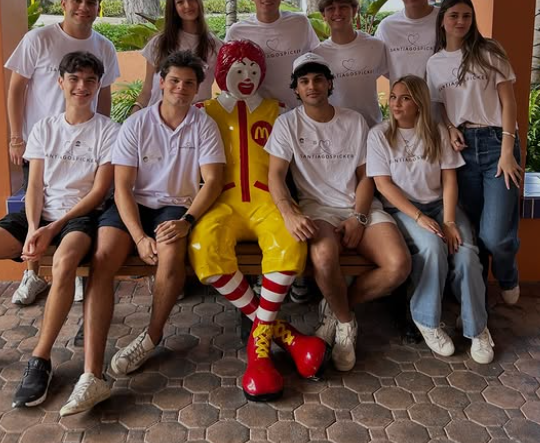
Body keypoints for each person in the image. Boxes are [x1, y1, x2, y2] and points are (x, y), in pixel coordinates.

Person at [60, 50, 226, 417]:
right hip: (133, 205)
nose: (180, 88)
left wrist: (187, 220)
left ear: (197, 88)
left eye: (188, 83)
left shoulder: (203, 125)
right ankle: (92, 374)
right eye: (173, 81)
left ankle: (151, 336)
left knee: (170, 253)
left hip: (176, 206)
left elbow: (213, 181)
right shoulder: (137, 124)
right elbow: (122, 187)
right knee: (103, 259)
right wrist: (137, 236)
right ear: (160, 83)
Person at [0, 52, 119, 406]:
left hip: (78, 217)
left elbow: (99, 191)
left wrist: (53, 226)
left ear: (98, 84)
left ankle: (40, 358)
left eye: (90, 80)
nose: (82, 86)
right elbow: (34, 186)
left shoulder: (108, 130)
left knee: (63, 262)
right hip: (38, 215)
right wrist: (31, 228)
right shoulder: (43, 128)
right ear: (60, 82)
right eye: (74, 79)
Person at [188, 41, 326, 401]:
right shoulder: (203, 111)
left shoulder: (278, 110)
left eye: (253, 70)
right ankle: (285, 336)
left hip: (269, 201)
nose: (246, 77)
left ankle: (259, 347)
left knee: (290, 240)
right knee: (204, 246)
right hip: (221, 202)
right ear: (222, 72)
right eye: (238, 69)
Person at [265, 52, 410, 371]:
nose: (312, 86)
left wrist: (359, 218)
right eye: (304, 81)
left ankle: (334, 310)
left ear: (330, 83)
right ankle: (346, 323)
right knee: (323, 257)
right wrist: (289, 212)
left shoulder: (354, 120)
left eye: (318, 79)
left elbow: (365, 177)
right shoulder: (287, 123)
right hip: (317, 209)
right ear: (296, 89)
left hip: (360, 206)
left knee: (398, 265)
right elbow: (274, 176)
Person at [5, 0, 120, 306]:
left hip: (87, 142)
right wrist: (16, 137)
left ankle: (75, 272)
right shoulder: (38, 39)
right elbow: (16, 88)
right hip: (43, 142)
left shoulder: (104, 46)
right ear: (63, 3)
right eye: (77, 0)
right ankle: (33, 273)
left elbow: (106, 94)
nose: (84, 7)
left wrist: (103, 130)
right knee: (37, 203)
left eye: (91, 2)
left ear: (98, 8)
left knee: (84, 205)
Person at [367, 75, 494, 363]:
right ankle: (426, 319)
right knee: (432, 248)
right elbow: (383, 185)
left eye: (405, 98)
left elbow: (450, 180)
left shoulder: (436, 132)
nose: (396, 103)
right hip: (403, 209)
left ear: (420, 103)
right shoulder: (379, 134)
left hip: (440, 205)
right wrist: (419, 216)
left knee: (466, 253)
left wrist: (449, 221)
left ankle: (477, 328)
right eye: (394, 97)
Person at [426, 0, 522, 305]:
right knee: (475, 233)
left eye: (467, 16)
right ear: (443, 19)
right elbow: (439, 108)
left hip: (497, 144)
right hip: (462, 148)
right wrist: (449, 128)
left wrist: (508, 150)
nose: (461, 21)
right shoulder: (435, 63)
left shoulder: (489, 50)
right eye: (454, 15)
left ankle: (507, 275)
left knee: (496, 236)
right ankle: (477, 300)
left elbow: (509, 101)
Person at [225, 0, 319, 110]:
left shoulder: (300, 24)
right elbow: (228, 75)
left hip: (298, 111)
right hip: (256, 114)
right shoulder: (237, 32)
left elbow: (315, 61)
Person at [131, 0, 222, 112]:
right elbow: (146, 91)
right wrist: (134, 114)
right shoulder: (159, 43)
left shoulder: (215, 46)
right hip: (156, 124)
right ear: (173, 8)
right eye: (180, 2)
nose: (187, 5)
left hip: (195, 125)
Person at [314, 0, 388, 126]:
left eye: (343, 7)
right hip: (335, 129)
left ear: (354, 11)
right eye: (330, 8)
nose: (337, 12)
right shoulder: (318, 54)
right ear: (323, 15)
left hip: (372, 127)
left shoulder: (375, 46)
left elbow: (391, 82)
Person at [375, 0, 438, 83]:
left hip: (442, 101)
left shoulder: (444, 20)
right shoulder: (387, 27)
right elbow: (384, 68)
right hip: (401, 101)